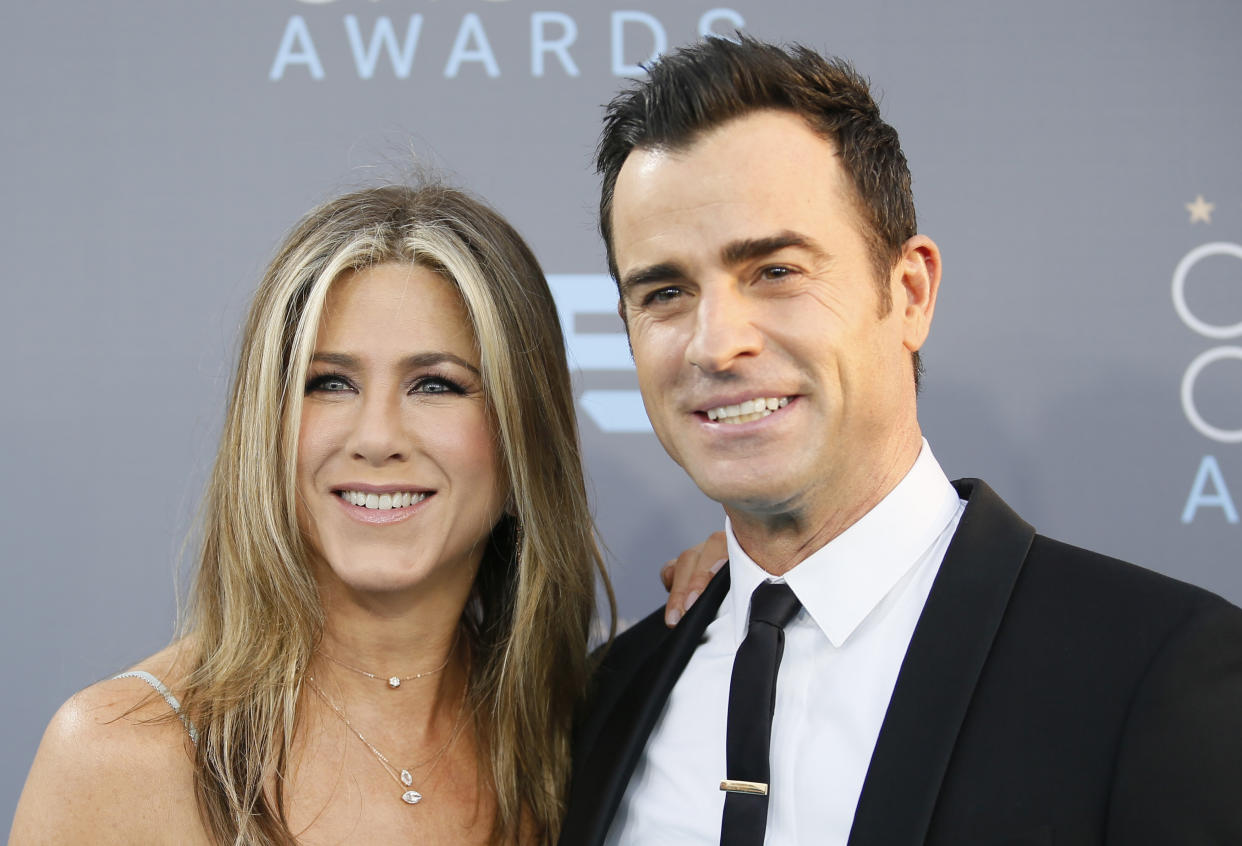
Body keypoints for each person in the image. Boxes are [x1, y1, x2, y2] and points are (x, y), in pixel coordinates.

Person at [562, 37, 1242, 846]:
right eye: (666, 292)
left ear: (910, 291)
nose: (715, 344)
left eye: (775, 271)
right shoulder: (604, 702)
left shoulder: (1151, 671)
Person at [12, 183, 614, 845]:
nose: (376, 436)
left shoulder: (586, 739)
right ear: (266, 426)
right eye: (329, 383)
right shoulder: (117, 756)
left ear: (524, 432)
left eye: (435, 384)